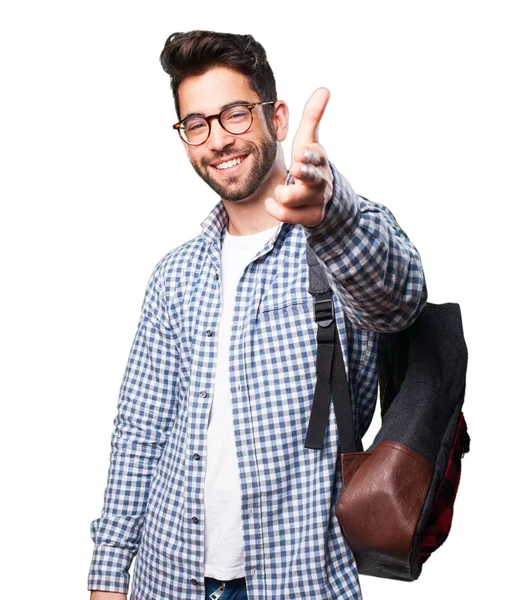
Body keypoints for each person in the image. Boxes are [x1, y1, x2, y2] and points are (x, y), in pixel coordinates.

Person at [87, 30, 428, 600]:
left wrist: (332, 217)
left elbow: (400, 301)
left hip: (299, 580)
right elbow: (140, 432)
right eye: (197, 123)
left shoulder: (339, 241)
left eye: (235, 114)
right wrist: (107, 574)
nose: (218, 139)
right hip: (169, 578)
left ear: (277, 117)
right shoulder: (176, 274)